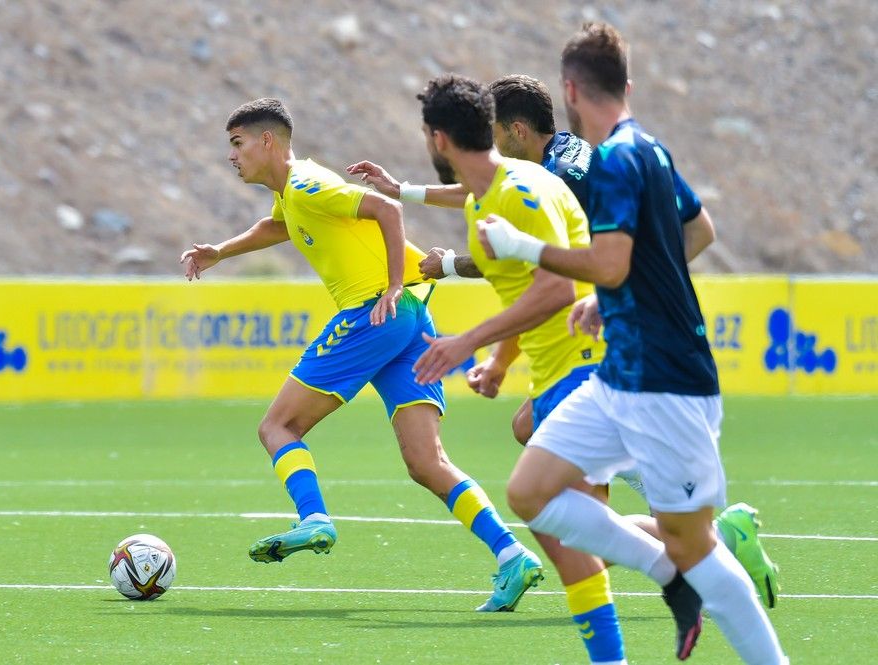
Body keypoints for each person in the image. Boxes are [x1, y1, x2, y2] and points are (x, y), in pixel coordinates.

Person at [350, 73, 780, 611]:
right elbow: (485, 189)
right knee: (533, 433)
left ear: (518, 130)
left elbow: (532, 259)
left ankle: (705, 543)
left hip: (608, 334)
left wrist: (455, 270)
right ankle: (698, 538)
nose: (487, 148)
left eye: (493, 135)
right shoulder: (555, 162)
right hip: (595, 332)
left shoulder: (558, 178)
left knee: (575, 515)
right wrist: (405, 192)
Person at [478, 24, 788, 663]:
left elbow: (614, 262)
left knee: (693, 542)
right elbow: (690, 233)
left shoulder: (616, 158)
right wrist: (614, 295)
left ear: (569, 90)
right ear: (628, 83)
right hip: (622, 374)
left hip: (664, 382)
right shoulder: (649, 149)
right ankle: (672, 577)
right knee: (530, 490)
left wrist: (524, 249)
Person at [180, 97, 543, 613]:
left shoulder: (308, 184)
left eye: (237, 145)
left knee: (277, 427)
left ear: (268, 142)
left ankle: (314, 518)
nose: (231, 157)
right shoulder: (294, 192)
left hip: (376, 313)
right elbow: (277, 226)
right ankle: (512, 556)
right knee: (426, 461)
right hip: (413, 315)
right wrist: (220, 250)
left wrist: (391, 285)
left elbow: (386, 208)